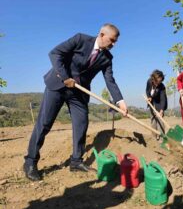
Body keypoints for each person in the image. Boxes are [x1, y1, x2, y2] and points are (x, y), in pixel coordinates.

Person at [23, 23, 128, 181]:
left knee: (81, 124)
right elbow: (55, 53)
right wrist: (65, 77)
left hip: (79, 92)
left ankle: (76, 161)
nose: (113, 44)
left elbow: (110, 81)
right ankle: (30, 162)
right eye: (112, 40)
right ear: (101, 35)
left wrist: (120, 101)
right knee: (44, 123)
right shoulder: (80, 39)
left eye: (115, 42)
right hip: (58, 85)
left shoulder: (107, 58)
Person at [146, 70, 168, 140]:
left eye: (160, 81)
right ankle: (154, 138)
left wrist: (161, 110)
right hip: (152, 102)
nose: (158, 83)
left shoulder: (162, 86)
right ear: (153, 79)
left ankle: (162, 138)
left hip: (159, 103)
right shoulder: (149, 82)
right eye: (157, 81)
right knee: (153, 120)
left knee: (160, 120)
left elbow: (163, 99)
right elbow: (147, 90)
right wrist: (149, 97)